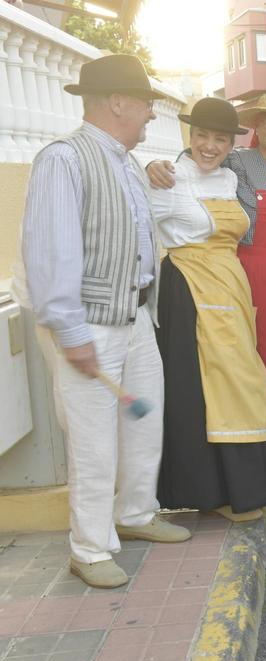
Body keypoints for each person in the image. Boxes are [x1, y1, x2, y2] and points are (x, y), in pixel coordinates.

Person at [15, 54, 190, 589]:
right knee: (92, 440)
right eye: (145, 106)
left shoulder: (125, 161)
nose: (149, 117)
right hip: (90, 323)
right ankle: (89, 548)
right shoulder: (62, 159)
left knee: (144, 422)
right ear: (118, 102)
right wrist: (71, 334)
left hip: (134, 316)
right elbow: (50, 255)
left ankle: (135, 514)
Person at [146, 92, 266, 460]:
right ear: (257, 127)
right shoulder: (238, 164)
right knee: (249, 365)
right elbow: (198, 158)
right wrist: (157, 166)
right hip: (246, 273)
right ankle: (258, 457)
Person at [150, 98, 266, 523]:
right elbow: (142, 232)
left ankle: (243, 486)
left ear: (232, 144)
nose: (210, 146)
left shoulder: (230, 179)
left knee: (241, 380)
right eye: (202, 136)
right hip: (189, 290)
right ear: (188, 138)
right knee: (202, 390)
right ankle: (211, 492)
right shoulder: (168, 178)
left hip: (230, 289)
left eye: (220, 138)